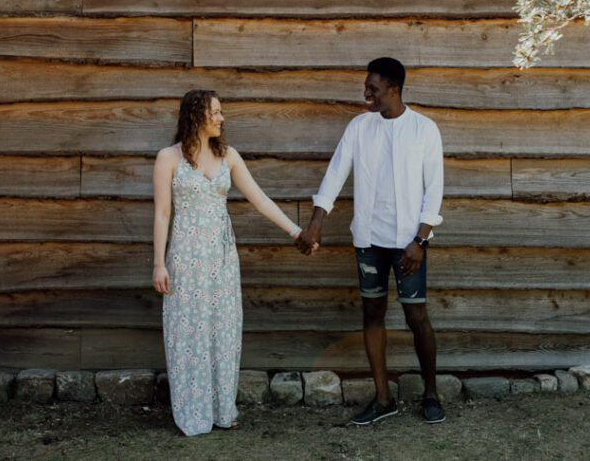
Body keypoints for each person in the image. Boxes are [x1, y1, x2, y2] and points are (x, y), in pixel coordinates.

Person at [296, 57, 445, 425]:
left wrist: (420, 240)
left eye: (373, 88)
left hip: (409, 243)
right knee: (372, 313)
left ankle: (431, 392)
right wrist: (315, 224)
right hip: (368, 240)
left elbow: (435, 189)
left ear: (394, 89)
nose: (366, 94)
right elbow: (334, 176)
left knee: (416, 316)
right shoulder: (359, 127)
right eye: (366, 87)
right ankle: (383, 398)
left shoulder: (424, 130)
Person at [152, 89, 309, 436]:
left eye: (222, 112)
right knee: (187, 332)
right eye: (216, 113)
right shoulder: (169, 157)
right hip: (185, 257)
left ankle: (223, 409)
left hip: (221, 258)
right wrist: (158, 264)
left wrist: (295, 231)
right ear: (195, 116)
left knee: (222, 330)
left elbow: (260, 200)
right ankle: (193, 413)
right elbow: (163, 213)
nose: (222, 119)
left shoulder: (230, 157)